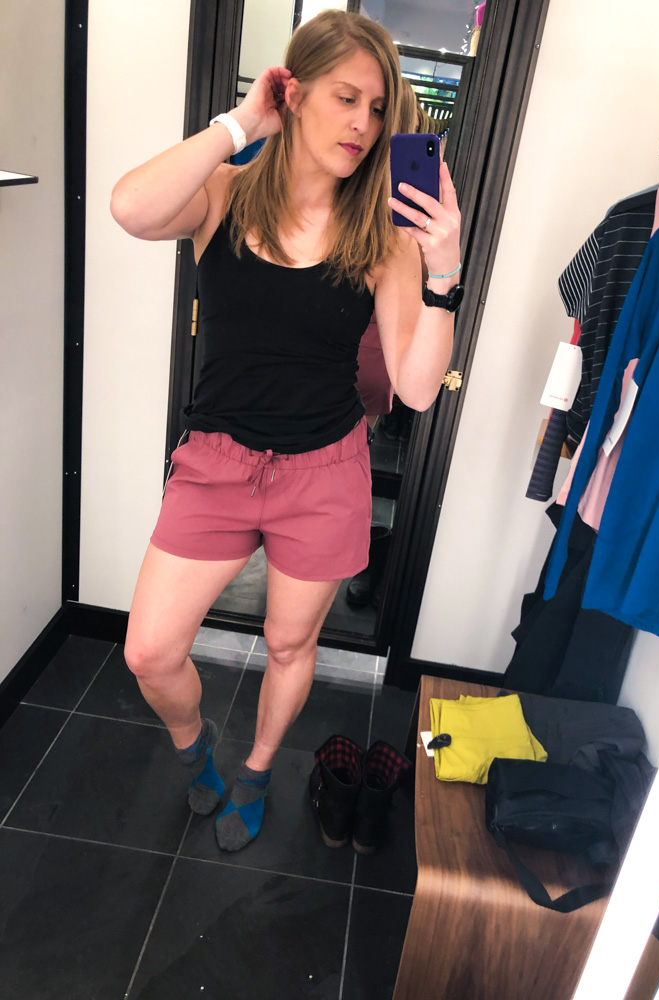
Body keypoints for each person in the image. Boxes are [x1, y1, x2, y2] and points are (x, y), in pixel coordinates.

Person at [111, 10, 462, 853]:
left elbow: (417, 387)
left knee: (288, 641)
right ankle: (196, 750)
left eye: (377, 108)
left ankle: (260, 770)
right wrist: (242, 122)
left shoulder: (383, 237)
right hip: (217, 463)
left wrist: (444, 270)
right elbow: (128, 207)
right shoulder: (223, 195)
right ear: (292, 91)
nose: (363, 123)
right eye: (345, 97)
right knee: (150, 652)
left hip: (325, 470)